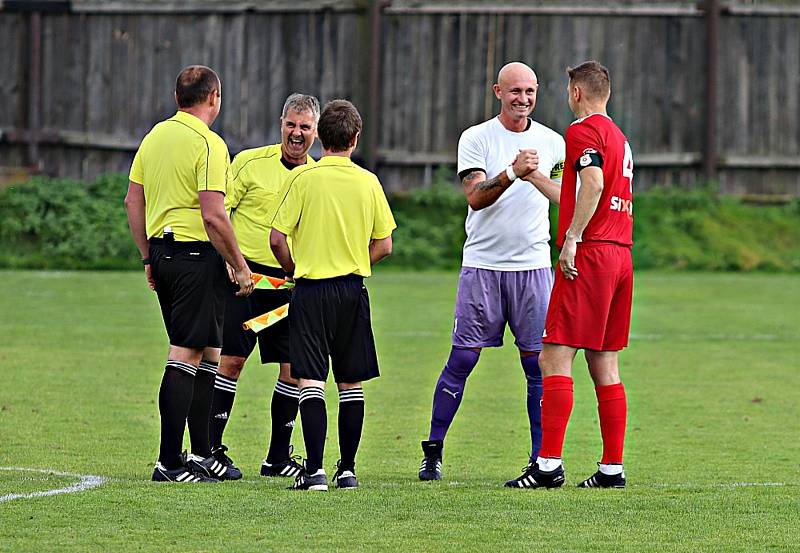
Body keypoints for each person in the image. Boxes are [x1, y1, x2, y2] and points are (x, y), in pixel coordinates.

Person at [417, 62, 565, 487]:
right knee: (463, 358)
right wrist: (512, 172)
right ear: (498, 91)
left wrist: (535, 174)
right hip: (483, 266)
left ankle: (542, 460)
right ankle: (433, 451)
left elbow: (560, 195)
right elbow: (475, 198)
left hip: (534, 269)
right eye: (515, 90)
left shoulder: (553, 142)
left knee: (536, 365)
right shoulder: (476, 138)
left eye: (531, 91)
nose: (523, 98)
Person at [125, 65, 254, 483]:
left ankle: (200, 453)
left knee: (210, 352)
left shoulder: (154, 136)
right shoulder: (210, 144)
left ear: (178, 96)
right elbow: (214, 215)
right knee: (185, 353)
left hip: (164, 254)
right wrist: (239, 265)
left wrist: (148, 257)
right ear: (213, 97)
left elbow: (133, 201)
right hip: (197, 256)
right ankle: (169, 461)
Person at [269, 99, 396, 491]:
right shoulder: (368, 181)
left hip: (310, 289)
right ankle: (348, 470)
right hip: (352, 290)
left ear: (320, 136)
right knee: (351, 383)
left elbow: (276, 239)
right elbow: (385, 244)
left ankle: (315, 471)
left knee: (309, 381)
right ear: (356, 139)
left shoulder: (303, 180)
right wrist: (357, 259)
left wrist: (294, 269)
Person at [520, 60, 634, 489]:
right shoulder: (619, 138)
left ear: (577, 93)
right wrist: (533, 177)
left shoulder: (582, 130)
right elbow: (578, 191)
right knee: (604, 361)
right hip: (620, 255)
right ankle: (611, 469)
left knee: (554, 354)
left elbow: (592, 183)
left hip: (591, 254)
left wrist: (571, 238)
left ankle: (547, 465)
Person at [208, 93, 320, 480]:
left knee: (292, 370)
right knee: (231, 362)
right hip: (245, 280)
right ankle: (212, 449)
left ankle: (276, 457)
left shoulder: (317, 176)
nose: (297, 133)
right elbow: (220, 210)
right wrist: (229, 260)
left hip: (289, 286)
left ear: (316, 131)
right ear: (281, 123)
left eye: (305, 127)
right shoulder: (250, 162)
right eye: (291, 124)